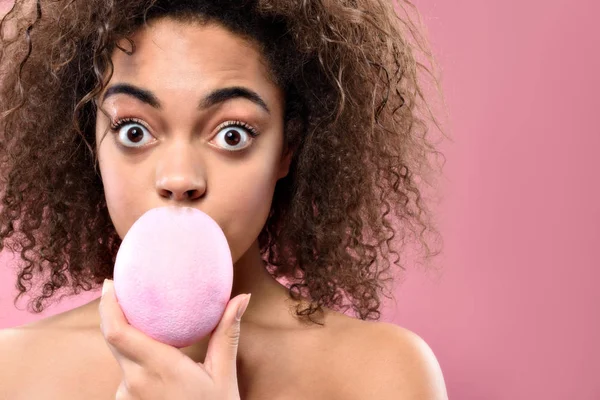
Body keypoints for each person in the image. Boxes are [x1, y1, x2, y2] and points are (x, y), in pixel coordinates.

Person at [0, 0, 449, 398]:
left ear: (286, 150)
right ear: (91, 144)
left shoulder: (381, 375)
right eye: (133, 131)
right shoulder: (12, 372)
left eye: (232, 134)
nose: (179, 178)